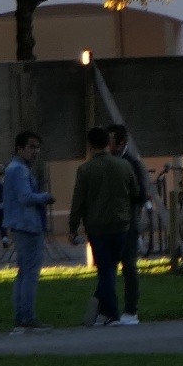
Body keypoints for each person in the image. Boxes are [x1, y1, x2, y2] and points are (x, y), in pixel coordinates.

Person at [68, 127, 140, 328]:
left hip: (97, 227)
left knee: (106, 270)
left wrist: (73, 227)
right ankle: (106, 309)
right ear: (108, 143)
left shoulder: (85, 170)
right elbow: (135, 192)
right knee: (111, 267)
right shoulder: (124, 166)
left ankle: (111, 312)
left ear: (90, 145)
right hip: (121, 225)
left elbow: (78, 201)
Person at [2, 130, 53, 334]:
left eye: (38, 147)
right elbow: (25, 197)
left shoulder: (15, 168)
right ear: (19, 148)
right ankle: (28, 317)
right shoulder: (19, 170)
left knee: (23, 273)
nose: (36, 151)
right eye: (31, 147)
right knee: (30, 273)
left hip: (21, 225)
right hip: (28, 225)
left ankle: (21, 317)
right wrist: (45, 197)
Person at [106, 122, 151, 323]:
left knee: (129, 265)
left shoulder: (131, 163)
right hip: (113, 221)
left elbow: (141, 194)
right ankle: (109, 308)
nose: (107, 145)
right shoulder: (110, 162)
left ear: (121, 142)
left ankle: (131, 310)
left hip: (128, 222)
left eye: (110, 141)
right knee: (110, 265)